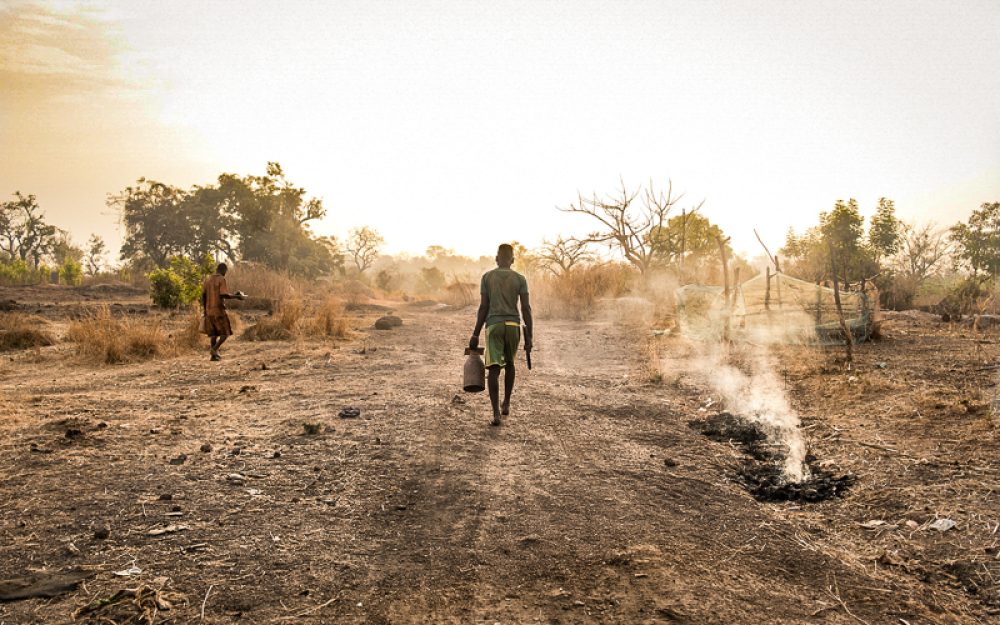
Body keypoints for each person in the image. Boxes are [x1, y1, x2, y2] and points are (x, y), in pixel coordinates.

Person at [469, 244, 533, 426]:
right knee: (510, 365)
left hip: (494, 325)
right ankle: (507, 403)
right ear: (512, 260)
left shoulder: (487, 277)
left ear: (497, 259)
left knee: (494, 370)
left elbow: (483, 307)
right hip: (513, 325)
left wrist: (475, 334)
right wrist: (530, 336)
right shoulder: (520, 279)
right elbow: (526, 308)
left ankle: (496, 414)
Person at [201, 263, 243, 361]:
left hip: (209, 310)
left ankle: (213, 357)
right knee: (226, 333)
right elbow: (223, 295)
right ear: (223, 270)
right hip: (218, 310)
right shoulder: (221, 279)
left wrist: (204, 310)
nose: (225, 274)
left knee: (214, 334)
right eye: (225, 272)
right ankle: (214, 349)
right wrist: (236, 296)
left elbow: (203, 296)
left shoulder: (208, 279)